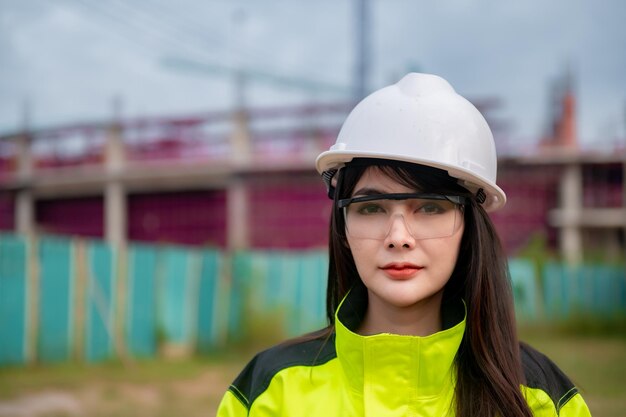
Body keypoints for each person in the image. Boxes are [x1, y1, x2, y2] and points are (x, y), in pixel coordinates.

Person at [216, 73, 592, 416]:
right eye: (371, 208)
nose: (398, 237)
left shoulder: (540, 399)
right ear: (343, 227)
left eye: (430, 207)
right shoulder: (269, 393)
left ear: (470, 227)